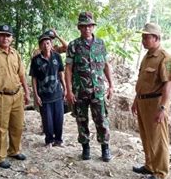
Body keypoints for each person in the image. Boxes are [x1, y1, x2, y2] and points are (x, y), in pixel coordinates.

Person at [65, 11, 114, 162]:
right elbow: (68, 68)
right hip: (80, 91)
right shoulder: (74, 45)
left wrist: (111, 85)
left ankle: (105, 147)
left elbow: (105, 65)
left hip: (98, 90)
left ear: (93, 27)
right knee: (81, 120)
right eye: (84, 26)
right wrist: (68, 91)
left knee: (101, 119)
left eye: (90, 26)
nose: (87, 29)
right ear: (79, 28)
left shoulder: (100, 44)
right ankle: (85, 147)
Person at [131, 23, 171, 179]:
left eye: (146, 37)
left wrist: (163, 108)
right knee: (146, 136)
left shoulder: (165, 58)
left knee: (158, 138)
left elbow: (168, 85)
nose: (143, 40)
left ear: (156, 38)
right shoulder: (147, 56)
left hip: (156, 102)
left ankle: (161, 173)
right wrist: (137, 99)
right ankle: (150, 166)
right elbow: (143, 80)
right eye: (143, 37)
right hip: (143, 101)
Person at [0, 24, 31, 169]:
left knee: (17, 126)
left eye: (8, 35)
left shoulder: (16, 54)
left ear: (12, 38)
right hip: (1, 96)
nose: (5, 38)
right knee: (0, 128)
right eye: (2, 35)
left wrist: (27, 92)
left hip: (17, 94)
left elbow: (21, 75)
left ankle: (14, 150)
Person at [30, 33, 66, 147]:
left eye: (48, 43)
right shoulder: (36, 60)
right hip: (44, 95)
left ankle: (58, 140)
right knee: (47, 121)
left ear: (51, 44)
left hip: (57, 93)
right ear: (40, 46)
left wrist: (65, 88)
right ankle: (49, 140)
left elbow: (61, 74)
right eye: (43, 43)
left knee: (59, 119)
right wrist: (36, 95)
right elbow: (34, 78)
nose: (46, 45)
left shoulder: (57, 57)